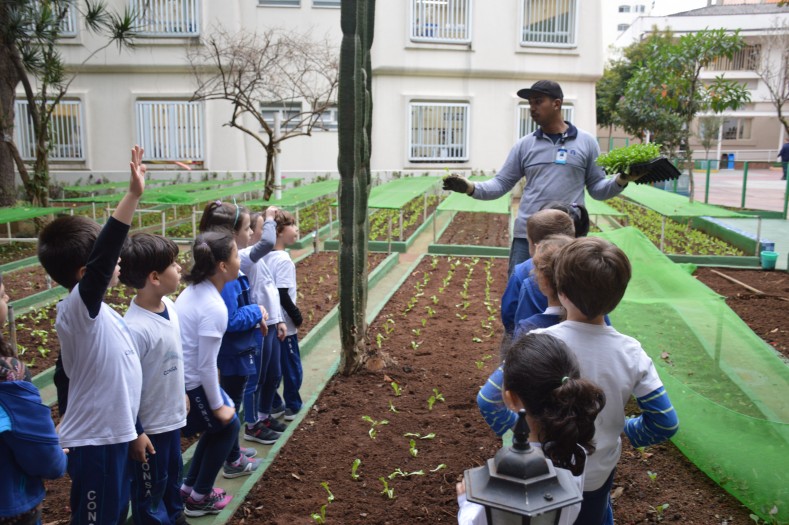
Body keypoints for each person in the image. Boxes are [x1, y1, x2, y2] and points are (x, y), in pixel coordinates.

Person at [533, 237, 679, 524]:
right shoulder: (631, 352)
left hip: (540, 472)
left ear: (560, 290)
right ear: (618, 296)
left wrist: (520, 439)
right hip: (597, 472)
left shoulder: (537, 343)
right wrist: (625, 427)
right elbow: (665, 423)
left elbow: (489, 401)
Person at [37, 145, 147, 525]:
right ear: (86, 274)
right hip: (95, 443)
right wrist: (131, 196)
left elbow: (70, 373)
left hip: (114, 436)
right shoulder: (77, 311)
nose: (117, 260)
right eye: (106, 257)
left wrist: (135, 431)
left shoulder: (101, 315)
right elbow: (104, 260)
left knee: (115, 514)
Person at [442, 80, 639, 275]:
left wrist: (621, 180)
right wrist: (470, 187)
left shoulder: (586, 142)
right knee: (520, 293)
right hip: (528, 236)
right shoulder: (524, 145)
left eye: (538, 101)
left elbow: (597, 188)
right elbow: (501, 183)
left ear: (557, 104)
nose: (532, 108)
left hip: (570, 236)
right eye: (530, 103)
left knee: (566, 297)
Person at [459, 332, 605, 525]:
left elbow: (475, 522)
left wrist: (464, 501)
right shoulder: (576, 451)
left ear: (511, 399)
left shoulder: (508, 472)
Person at [119, 233, 189, 525]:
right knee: (150, 487)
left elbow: (173, 359)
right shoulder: (134, 328)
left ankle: (176, 516)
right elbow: (125, 387)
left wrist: (181, 391)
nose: (180, 268)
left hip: (170, 419)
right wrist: (136, 431)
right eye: (173, 264)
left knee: (173, 475)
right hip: (149, 428)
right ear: (155, 277)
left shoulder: (169, 306)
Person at [477, 234, 573, 437]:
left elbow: (488, 399)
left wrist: (519, 430)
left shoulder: (531, 334)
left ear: (543, 281)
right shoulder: (623, 347)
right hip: (594, 452)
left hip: (538, 452)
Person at [175, 231, 241, 517]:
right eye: (237, 255)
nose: (240, 260)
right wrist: (218, 406)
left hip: (189, 378)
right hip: (192, 383)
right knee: (227, 425)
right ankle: (200, 497)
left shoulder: (194, 290)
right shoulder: (214, 307)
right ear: (223, 266)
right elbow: (205, 365)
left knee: (219, 428)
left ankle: (190, 488)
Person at [198, 201, 266, 478]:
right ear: (230, 234)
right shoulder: (224, 279)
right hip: (231, 355)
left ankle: (234, 451)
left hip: (233, 353)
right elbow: (231, 319)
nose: (251, 233)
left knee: (232, 405)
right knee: (231, 406)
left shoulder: (224, 270)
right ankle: (232, 459)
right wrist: (256, 310)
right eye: (248, 228)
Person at [0, 276, 67, 525]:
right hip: (11, 506)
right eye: (2, 294)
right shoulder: (9, 375)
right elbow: (46, 460)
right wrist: (56, 448)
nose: (8, 299)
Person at [235, 206, 289, 446]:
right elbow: (268, 241)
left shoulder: (259, 259)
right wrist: (269, 218)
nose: (251, 232)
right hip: (258, 326)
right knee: (256, 378)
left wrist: (278, 320)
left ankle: (264, 416)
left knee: (272, 373)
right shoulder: (245, 257)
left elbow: (270, 292)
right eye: (251, 228)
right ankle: (252, 425)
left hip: (270, 322)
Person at [500, 209, 574, 337]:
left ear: (536, 246)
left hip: (529, 339)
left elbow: (509, 313)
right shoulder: (583, 265)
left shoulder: (522, 272)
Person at [265, 210, 304, 422]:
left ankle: (275, 403)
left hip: (271, 322)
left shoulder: (263, 256)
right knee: (292, 367)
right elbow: (282, 294)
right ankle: (293, 405)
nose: (296, 229)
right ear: (279, 231)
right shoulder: (284, 260)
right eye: (292, 225)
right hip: (285, 325)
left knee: (273, 367)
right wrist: (296, 316)